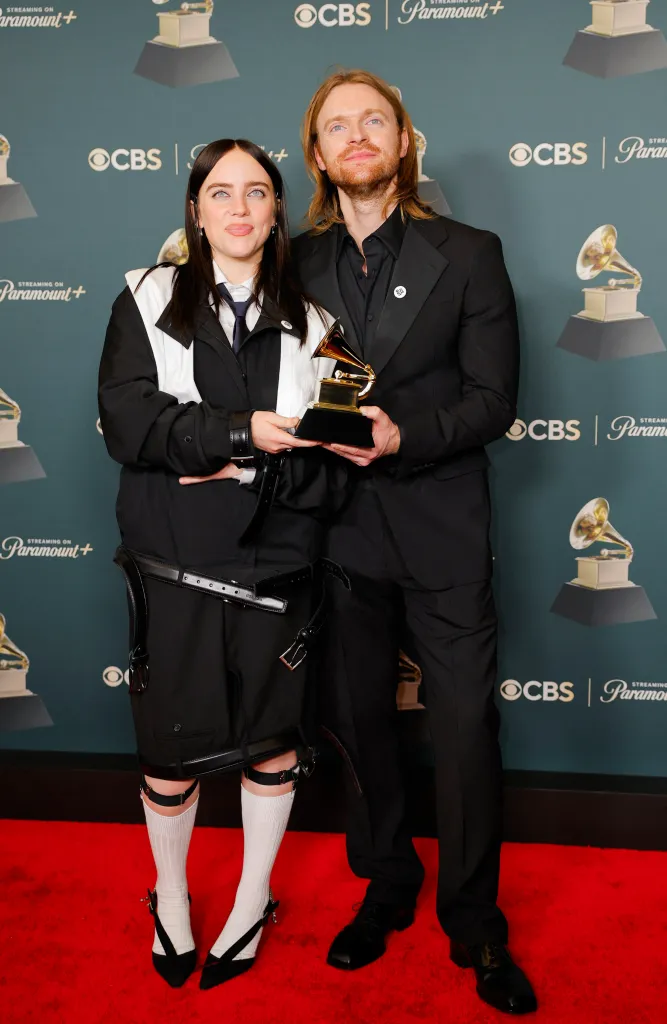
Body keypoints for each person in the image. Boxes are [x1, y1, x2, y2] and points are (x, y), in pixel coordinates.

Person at [293, 70, 537, 1015]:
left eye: (374, 121)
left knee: (465, 728)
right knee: (360, 724)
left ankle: (473, 920)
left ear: (403, 141)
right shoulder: (292, 264)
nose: (356, 135)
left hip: (442, 525)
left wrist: (405, 436)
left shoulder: (469, 253)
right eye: (336, 126)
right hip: (337, 533)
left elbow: (493, 401)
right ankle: (386, 884)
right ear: (318, 156)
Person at [98, 138, 345, 991]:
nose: (239, 207)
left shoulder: (317, 325)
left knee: (272, 747)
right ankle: (169, 896)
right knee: (169, 752)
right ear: (196, 212)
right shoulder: (144, 295)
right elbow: (129, 423)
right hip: (174, 564)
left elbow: (331, 465)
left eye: (256, 192)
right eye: (220, 193)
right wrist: (242, 434)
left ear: (277, 212)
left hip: (278, 568)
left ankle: (251, 897)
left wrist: (223, 456)